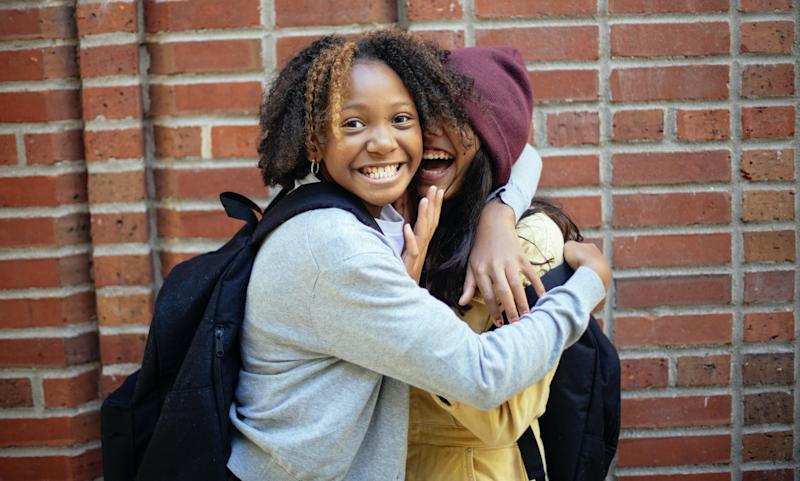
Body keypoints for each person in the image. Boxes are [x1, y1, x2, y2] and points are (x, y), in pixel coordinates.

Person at [228, 30, 609, 481]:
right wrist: (589, 286)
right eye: (354, 123)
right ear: (314, 141)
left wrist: (500, 211)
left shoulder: (513, 240)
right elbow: (480, 372)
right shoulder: (352, 239)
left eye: (402, 118)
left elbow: (518, 145)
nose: (400, 139)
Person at [404, 46, 572, 481]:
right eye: (416, 116)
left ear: (489, 135)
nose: (430, 133)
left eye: (455, 117)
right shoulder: (390, 221)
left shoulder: (527, 241)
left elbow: (500, 413)